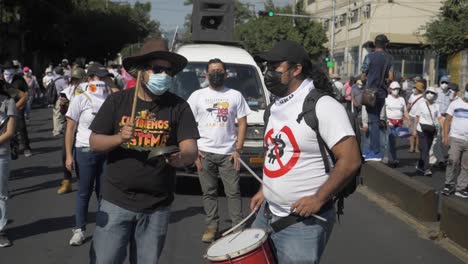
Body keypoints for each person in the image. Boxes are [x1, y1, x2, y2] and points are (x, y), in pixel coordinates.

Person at [89, 37, 199, 263]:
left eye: (169, 72)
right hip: (116, 201)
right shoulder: (117, 102)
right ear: (140, 70)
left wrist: (182, 157)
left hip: (157, 206)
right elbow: (94, 142)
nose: (164, 75)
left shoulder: (179, 106)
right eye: (158, 69)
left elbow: (190, 148)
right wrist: (119, 138)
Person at [250, 40, 361, 263]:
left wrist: (319, 199)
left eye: (274, 66)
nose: (268, 72)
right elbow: (275, 152)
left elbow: (350, 160)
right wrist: (265, 189)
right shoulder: (275, 107)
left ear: (297, 69)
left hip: (302, 224)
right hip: (267, 213)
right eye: (266, 67)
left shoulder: (323, 106)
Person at [187, 58, 250, 243]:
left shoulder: (235, 95)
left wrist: (238, 148)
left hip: (229, 154)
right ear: (206, 74)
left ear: (225, 74)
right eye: (212, 71)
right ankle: (212, 227)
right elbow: (188, 122)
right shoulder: (197, 96)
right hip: (204, 152)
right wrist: (193, 149)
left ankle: (237, 227)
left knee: (233, 191)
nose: (216, 74)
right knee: (209, 192)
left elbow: (242, 122)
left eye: (219, 71)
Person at [65, 64, 112, 246]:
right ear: (89, 78)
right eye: (97, 77)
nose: (101, 81)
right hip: (85, 151)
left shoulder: (110, 97)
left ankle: (103, 229)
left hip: (106, 153)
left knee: (104, 194)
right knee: (84, 193)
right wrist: (69, 156)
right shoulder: (80, 99)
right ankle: (79, 229)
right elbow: (70, 129)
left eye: (104, 78)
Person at [361, 34, 394, 161]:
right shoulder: (389, 58)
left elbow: (363, 75)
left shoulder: (369, 57)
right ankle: (372, 149)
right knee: (375, 119)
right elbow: (390, 77)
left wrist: (366, 81)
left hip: (370, 92)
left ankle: (374, 151)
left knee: (373, 121)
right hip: (381, 93)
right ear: (385, 45)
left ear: (375, 44)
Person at [56, 67, 87, 195]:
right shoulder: (67, 92)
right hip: (70, 126)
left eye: (78, 80)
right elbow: (64, 113)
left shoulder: (89, 91)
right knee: (65, 154)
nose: (76, 82)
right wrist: (63, 105)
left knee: (84, 154)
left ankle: (85, 180)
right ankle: (67, 181)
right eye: (74, 80)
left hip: (85, 126)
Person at [0, 66, 17, 247]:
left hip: (1, 155)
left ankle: (1, 229)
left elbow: (10, 132)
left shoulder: (8, 102)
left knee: (1, 195)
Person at [441, 83, 468, 198]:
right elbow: (447, 121)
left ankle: (461, 188)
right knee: (453, 161)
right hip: (456, 138)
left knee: (466, 166)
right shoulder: (455, 104)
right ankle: (449, 184)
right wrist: (445, 136)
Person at [3, 61, 32, 157]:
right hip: (4, 107)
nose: (9, 71)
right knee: (7, 128)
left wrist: (21, 104)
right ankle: (13, 148)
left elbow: (26, 92)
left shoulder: (19, 79)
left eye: (11, 69)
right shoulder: (2, 80)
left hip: (18, 105)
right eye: (7, 69)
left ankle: (26, 147)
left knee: (21, 126)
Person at [412, 87, 444, 176]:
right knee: (425, 148)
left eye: (432, 93)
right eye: (428, 92)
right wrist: (414, 130)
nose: (430, 94)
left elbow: (439, 118)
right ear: (426, 93)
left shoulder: (436, 106)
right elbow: (417, 117)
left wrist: (443, 130)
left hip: (432, 129)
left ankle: (420, 164)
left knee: (427, 149)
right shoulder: (421, 104)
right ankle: (426, 168)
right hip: (421, 129)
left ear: (435, 95)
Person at [382, 81, 410, 167]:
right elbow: (383, 110)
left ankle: (393, 158)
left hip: (399, 123)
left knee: (394, 142)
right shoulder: (386, 98)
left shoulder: (401, 99)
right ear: (390, 89)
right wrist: (383, 119)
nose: (396, 91)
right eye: (394, 89)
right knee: (388, 140)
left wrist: (408, 120)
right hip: (389, 122)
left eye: (397, 89)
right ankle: (388, 158)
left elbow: (405, 111)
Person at [431, 75, 453, 167]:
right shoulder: (435, 91)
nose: (444, 84)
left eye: (446, 82)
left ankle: (445, 157)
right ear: (440, 82)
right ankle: (435, 159)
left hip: (447, 118)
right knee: (436, 138)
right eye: (442, 82)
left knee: (446, 139)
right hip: (437, 118)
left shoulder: (451, 93)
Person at [407, 81, 426, 153]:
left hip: (419, 117)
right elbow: (409, 104)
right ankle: (411, 147)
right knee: (411, 133)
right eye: (414, 88)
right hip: (411, 116)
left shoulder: (423, 98)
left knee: (418, 133)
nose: (414, 89)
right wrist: (405, 113)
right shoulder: (412, 95)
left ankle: (417, 147)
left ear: (419, 90)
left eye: (416, 88)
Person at [51, 67, 68, 136]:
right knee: (59, 115)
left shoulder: (53, 79)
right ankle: (57, 130)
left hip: (54, 98)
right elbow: (66, 89)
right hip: (59, 98)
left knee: (55, 114)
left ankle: (56, 129)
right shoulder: (62, 80)